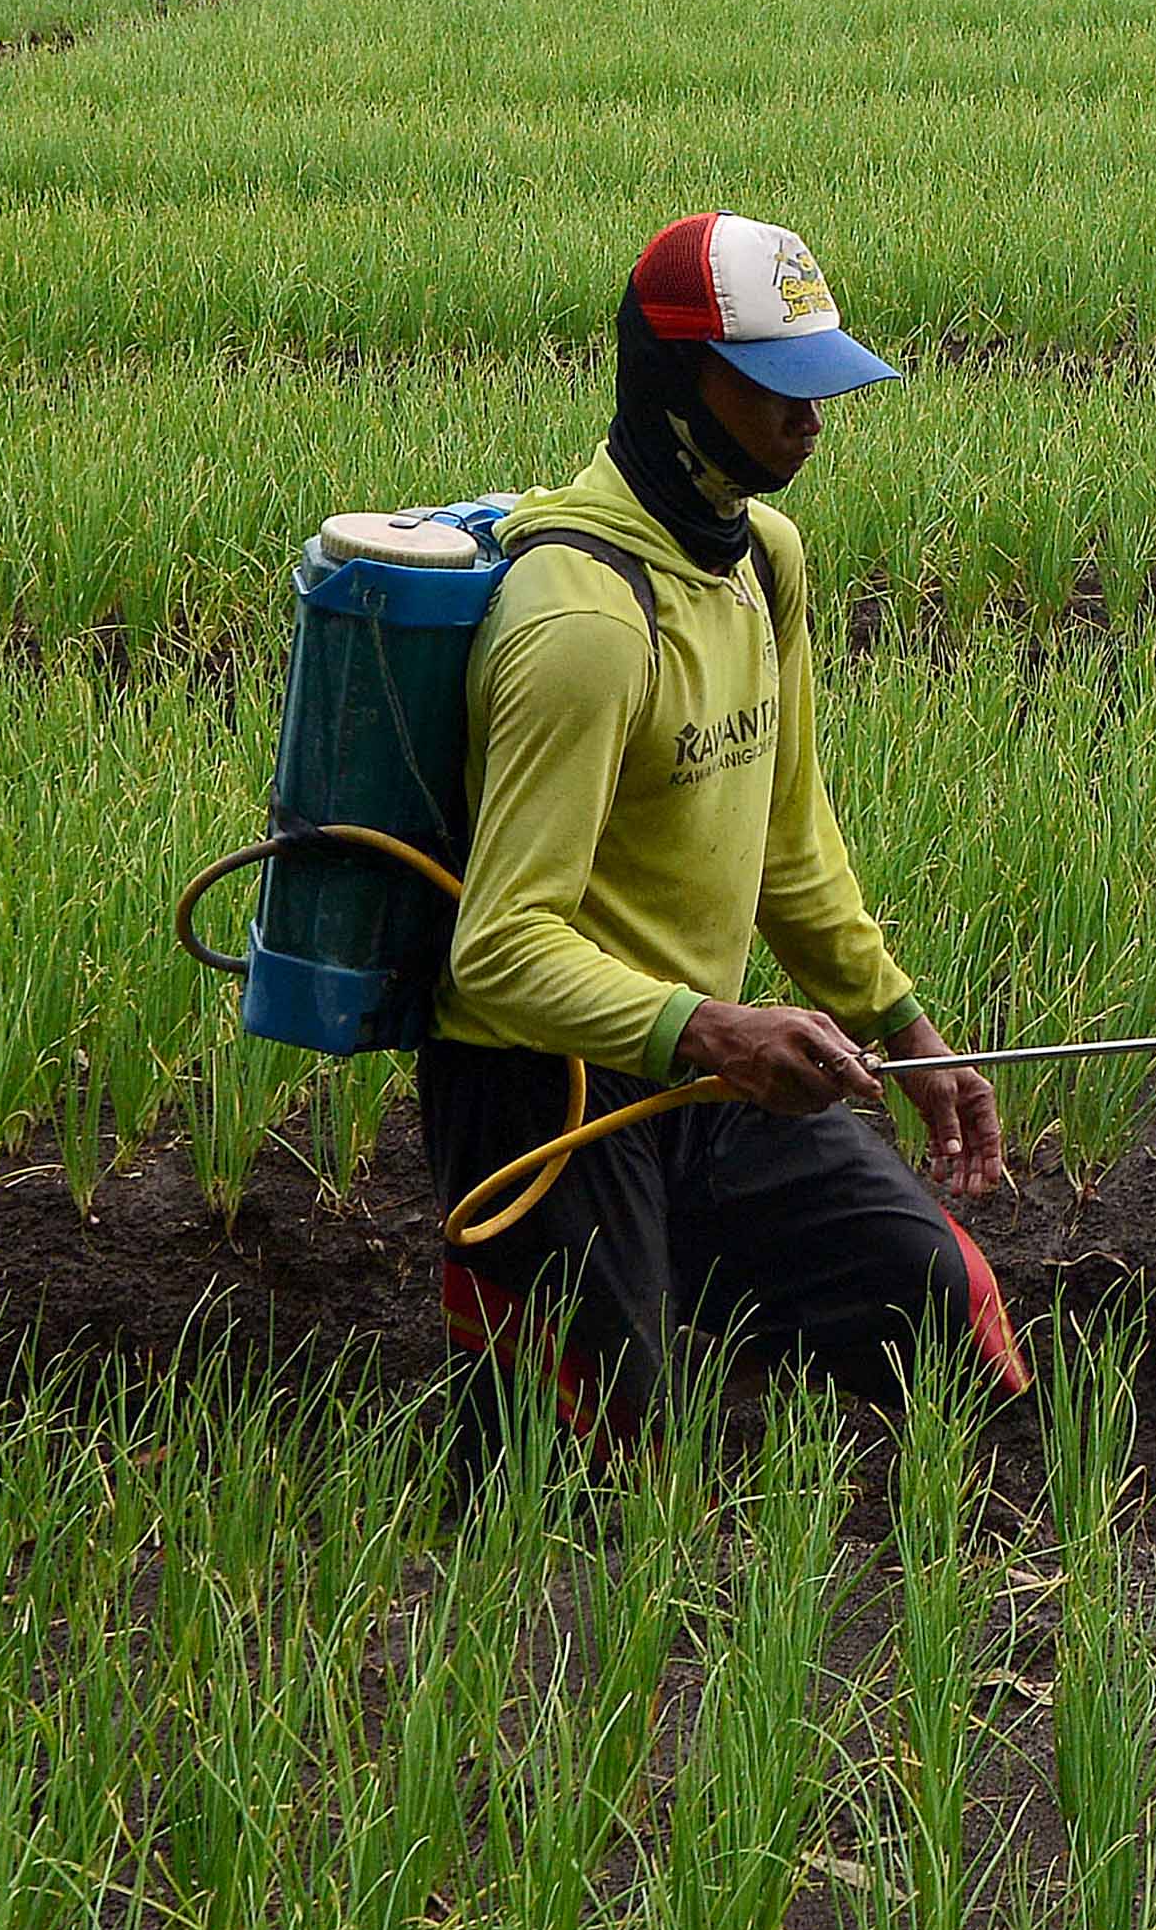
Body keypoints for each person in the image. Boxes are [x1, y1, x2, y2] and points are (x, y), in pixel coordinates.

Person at [421, 213, 1023, 1430]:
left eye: (822, 387)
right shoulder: (581, 628)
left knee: (938, 1297)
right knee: (582, 1451)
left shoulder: (763, 562)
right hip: (544, 1089)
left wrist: (904, 1027)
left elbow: (788, 845)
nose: (811, 418)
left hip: (698, 1061)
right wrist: (709, 1028)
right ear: (673, 380)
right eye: (776, 389)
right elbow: (496, 947)